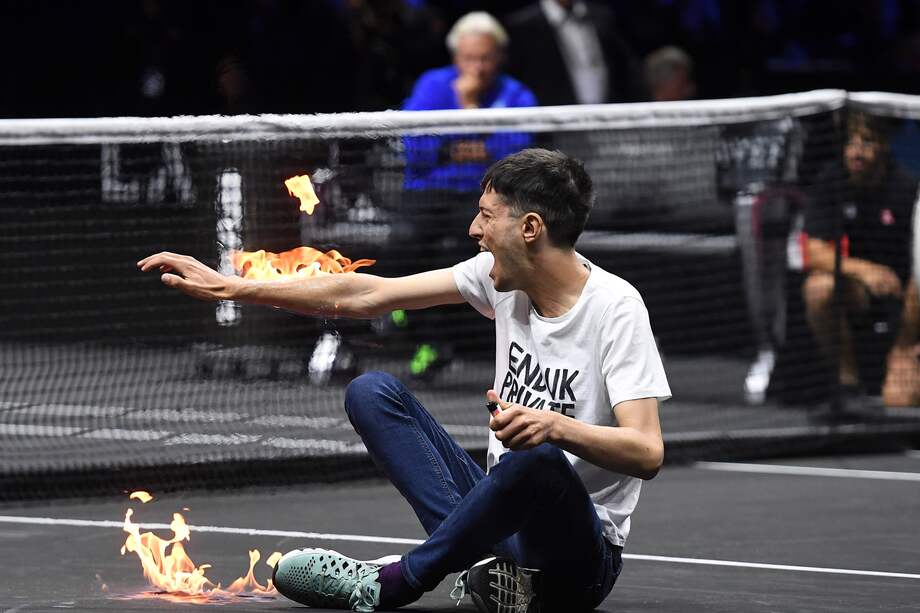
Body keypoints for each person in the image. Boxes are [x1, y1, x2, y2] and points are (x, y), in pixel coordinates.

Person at [138, 148, 670, 612]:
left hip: (579, 558)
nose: (474, 230)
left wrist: (554, 427)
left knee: (538, 461)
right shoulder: (496, 278)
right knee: (372, 393)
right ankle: (492, 573)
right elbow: (368, 293)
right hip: (501, 522)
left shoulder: (616, 309)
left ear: (530, 229)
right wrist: (234, 288)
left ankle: (396, 579)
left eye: (487, 217)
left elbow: (646, 452)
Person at [397, 11, 537, 377]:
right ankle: (421, 335)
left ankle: (450, 342)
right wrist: (470, 131)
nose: (477, 67)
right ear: (456, 57)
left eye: (485, 58)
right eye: (469, 58)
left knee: (462, 253)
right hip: (428, 193)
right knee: (403, 243)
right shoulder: (432, 86)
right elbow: (416, 151)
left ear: (500, 57)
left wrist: (465, 117)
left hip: (486, 197)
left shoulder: (517, 94)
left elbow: (515, 155)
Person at [802, 111, 920, 406]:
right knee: (818, 289)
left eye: (866, 142)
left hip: (907, 298)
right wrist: (865, 270)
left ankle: (900, 360)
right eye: (850, 143)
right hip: (860, 289)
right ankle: (847, 381)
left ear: (883, 145)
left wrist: (904, 345)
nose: (856, 152)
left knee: (900, 401)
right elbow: (814, 251)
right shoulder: (832, 181)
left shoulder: (907, 189)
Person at [503, 0, 645, 106]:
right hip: (555, 126)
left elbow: (626, 70)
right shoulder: (522, 26)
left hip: (607, 119)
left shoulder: (602, 16)